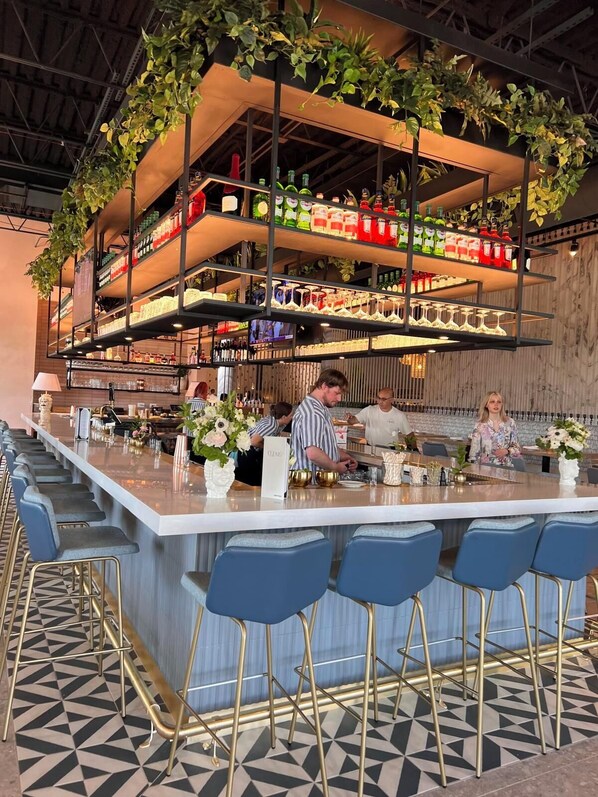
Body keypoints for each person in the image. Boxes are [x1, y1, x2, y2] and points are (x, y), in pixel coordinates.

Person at [291, 369, 358, 474]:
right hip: (310, 480)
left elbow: (326, 446)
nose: (339, 399)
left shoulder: (321, 409)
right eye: (337, 393)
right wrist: (335, 467)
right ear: (324, 386)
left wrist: (346, 457)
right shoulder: (313, 412)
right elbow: (313, 453)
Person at [235, 402, 294, 486]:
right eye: (291, 415)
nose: (292, 417)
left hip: (247, 452)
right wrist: (268, 446)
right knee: (250, 483)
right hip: (248, 453)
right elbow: (253, 442)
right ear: (284, 417)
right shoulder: (271, 425)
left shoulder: (273, 420)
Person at [346, 387, 415, 448]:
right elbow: (353, 421)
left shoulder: (399, 415)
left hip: (390, 451)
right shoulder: (369, 410)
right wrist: (350, 419)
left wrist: (413, 450)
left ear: (391, 400)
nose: (380, 401)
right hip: (370, 448)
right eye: (379, 398)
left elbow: (409, 434)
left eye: (384, 399)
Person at [469, 390, 522, 466]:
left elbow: (517, 448)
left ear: (502, 405)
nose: (496, 404)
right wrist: (473, 468)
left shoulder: (510, 423)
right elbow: (474, 451)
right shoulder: (480, 425)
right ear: (486, 405)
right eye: (492, 402)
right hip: (484, 467)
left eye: (499, 402)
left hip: (506, 467)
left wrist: (507, 451)